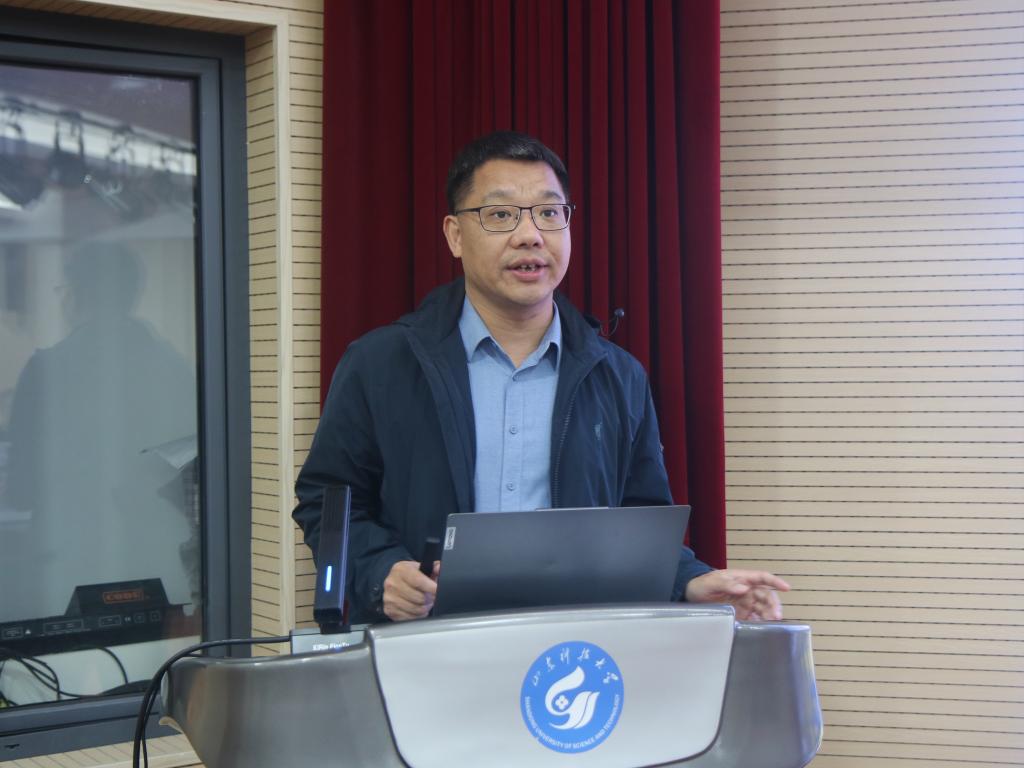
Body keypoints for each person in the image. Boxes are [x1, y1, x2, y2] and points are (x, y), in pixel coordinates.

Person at [293, 131, 789, 625]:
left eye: (549, 213)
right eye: (501, 214)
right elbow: (328, 503)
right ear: (455, 235)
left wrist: (689, 582)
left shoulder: (618, 377)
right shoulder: (381, 363)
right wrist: (380, 571)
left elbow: (636, 528)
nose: (530, 235)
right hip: (427, 645)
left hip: (572, 649)